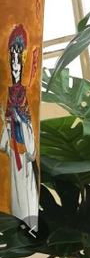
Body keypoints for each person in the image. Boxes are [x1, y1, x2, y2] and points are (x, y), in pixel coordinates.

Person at [0, 24, 38, 232]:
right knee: (15, 195)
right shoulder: (9, 94)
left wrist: (19, 121)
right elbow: (5, 140)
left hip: (23, 155)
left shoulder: (24, 93)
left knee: (26, 193)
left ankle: (29, 225)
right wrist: (7, 122)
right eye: (12, 59)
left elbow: (29, 129)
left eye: (18, 59)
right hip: (14, 155)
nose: (15, 64)